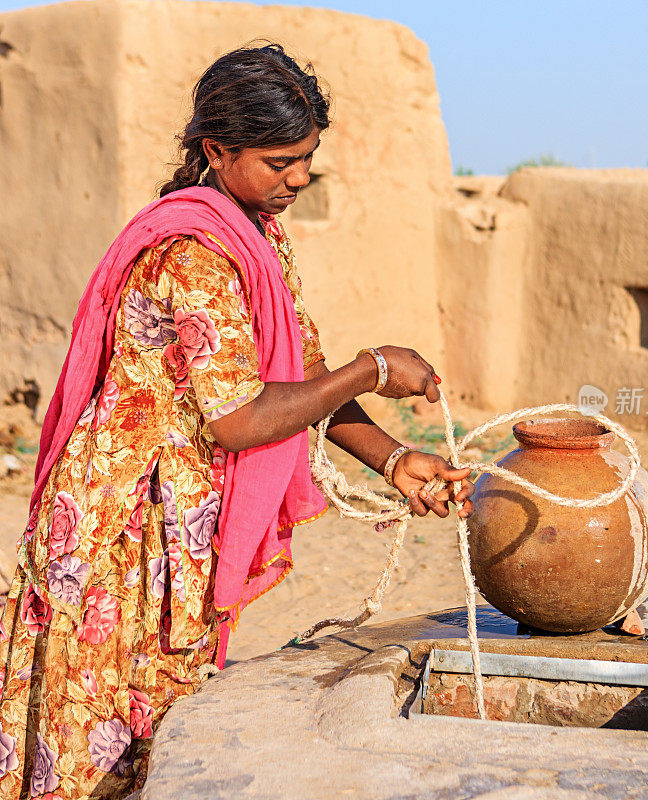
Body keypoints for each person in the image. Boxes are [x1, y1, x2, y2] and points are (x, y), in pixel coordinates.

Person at [0, 44, 474, 799]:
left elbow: (301, 382)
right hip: (126, 533)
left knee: (156, 726)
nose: (298, 178)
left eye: (308, 158)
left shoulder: (254, 231)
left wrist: (393, 458)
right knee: (107, 737)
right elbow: (241, 418)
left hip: (174, 520)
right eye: (280, 160)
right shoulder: (194, 250)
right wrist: (373, 368)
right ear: (217, 151)